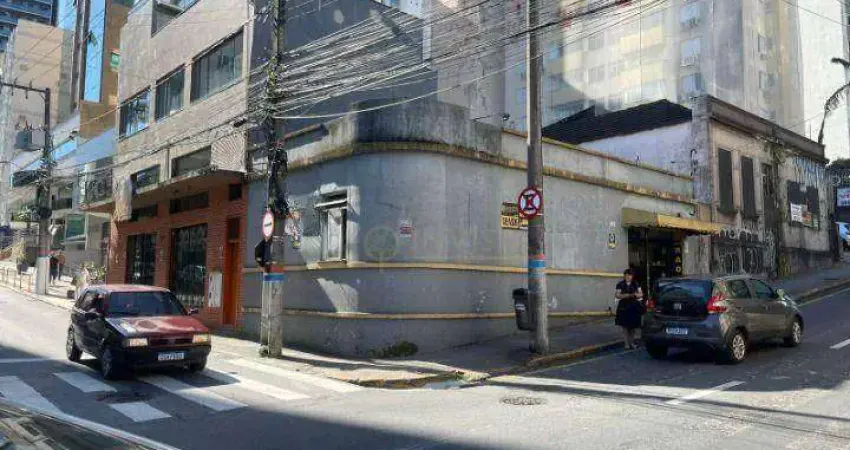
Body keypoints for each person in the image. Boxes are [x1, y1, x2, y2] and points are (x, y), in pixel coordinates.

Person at [615, 268, 644, 350]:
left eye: (629, 275)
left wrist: (636, 295)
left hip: (634, 306)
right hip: (624, 306)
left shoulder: (636, 284)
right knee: (624, 326)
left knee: (633, 327)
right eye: (626, 275)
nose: (628, 277)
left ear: (632, 276)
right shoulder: (620, 284)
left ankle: (632, 343)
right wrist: (627, 295)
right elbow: (617, 295)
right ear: (624, 276)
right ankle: (626, 344)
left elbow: (641, 294)